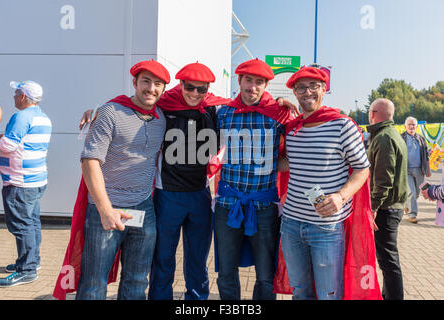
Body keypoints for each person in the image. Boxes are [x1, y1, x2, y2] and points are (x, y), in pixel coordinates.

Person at [66, 60, 169, 300]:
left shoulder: (162, 117)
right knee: (93, 284)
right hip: (107, 208)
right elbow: (90, 161)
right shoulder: (110, 112)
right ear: (134, 82)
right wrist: (105, 210)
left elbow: (198, 97)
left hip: (144, 209)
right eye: (146, 81)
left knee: (136, 281)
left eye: (158, 84)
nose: (151, 89)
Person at [279, 67, 372, 300]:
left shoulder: (342, 125)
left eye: (314, 86)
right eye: (301, 87)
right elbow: (288, 163)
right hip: (291, 224)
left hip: (326, 227)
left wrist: (341, 197)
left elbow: (362, 169)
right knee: (301, 292)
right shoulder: (293, 128)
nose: (307, 91)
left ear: (324, 89)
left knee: (328, 294)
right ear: (294, 92)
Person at [213, 58, 294, 300]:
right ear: (239, 81)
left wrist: (294, 108)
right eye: (248, 80)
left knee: (266, 273)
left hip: (264, 207)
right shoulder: (224, 113)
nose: (253, 87)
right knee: (226, 272)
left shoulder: (278, 113)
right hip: (228, 204)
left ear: (266, 85)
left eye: (259, 82)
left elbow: (300, 140)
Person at [148, 62, 229, 300]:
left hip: (199, 194)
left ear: (207, 89)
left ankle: (196, 300)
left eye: (201, 89)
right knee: (162, 257)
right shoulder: (163, 105)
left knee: (197, 258)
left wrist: (281, 104)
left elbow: (248, 110)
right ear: (180, 84)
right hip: (168, 194)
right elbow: (131, 109)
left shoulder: (213, 109)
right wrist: (98, 110)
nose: (195, 94)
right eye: (190, 87)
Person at [0, 80, 52, 287]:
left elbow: (8, 145)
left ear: (23, 97)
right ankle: (30, 262)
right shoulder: (43, 117)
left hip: (20, 182)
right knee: (32, 222)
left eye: (16, 93)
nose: (13, 96)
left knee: (22, 225)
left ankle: (26, 270)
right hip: (35, 180)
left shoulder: (21, 116)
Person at [367, 98, 408, 300]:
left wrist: (373, 207)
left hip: (386, 208)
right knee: (388, 259)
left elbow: (383, 179)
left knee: (388, 260)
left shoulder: (383, 137)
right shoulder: (392, 134)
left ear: (373, 113)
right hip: (392, 206)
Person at [401, 116, 431, 224]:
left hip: (419, 170)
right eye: (409, 124)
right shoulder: (401, 138)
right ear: (405, 126)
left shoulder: (421, 138)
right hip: (406, 170)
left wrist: (428, 169)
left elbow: (426, 155)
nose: (411, 126)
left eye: (413, 124)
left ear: (416, 126)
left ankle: (406, 205)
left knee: (417, 193)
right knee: (411, 193)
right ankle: (412, 215)